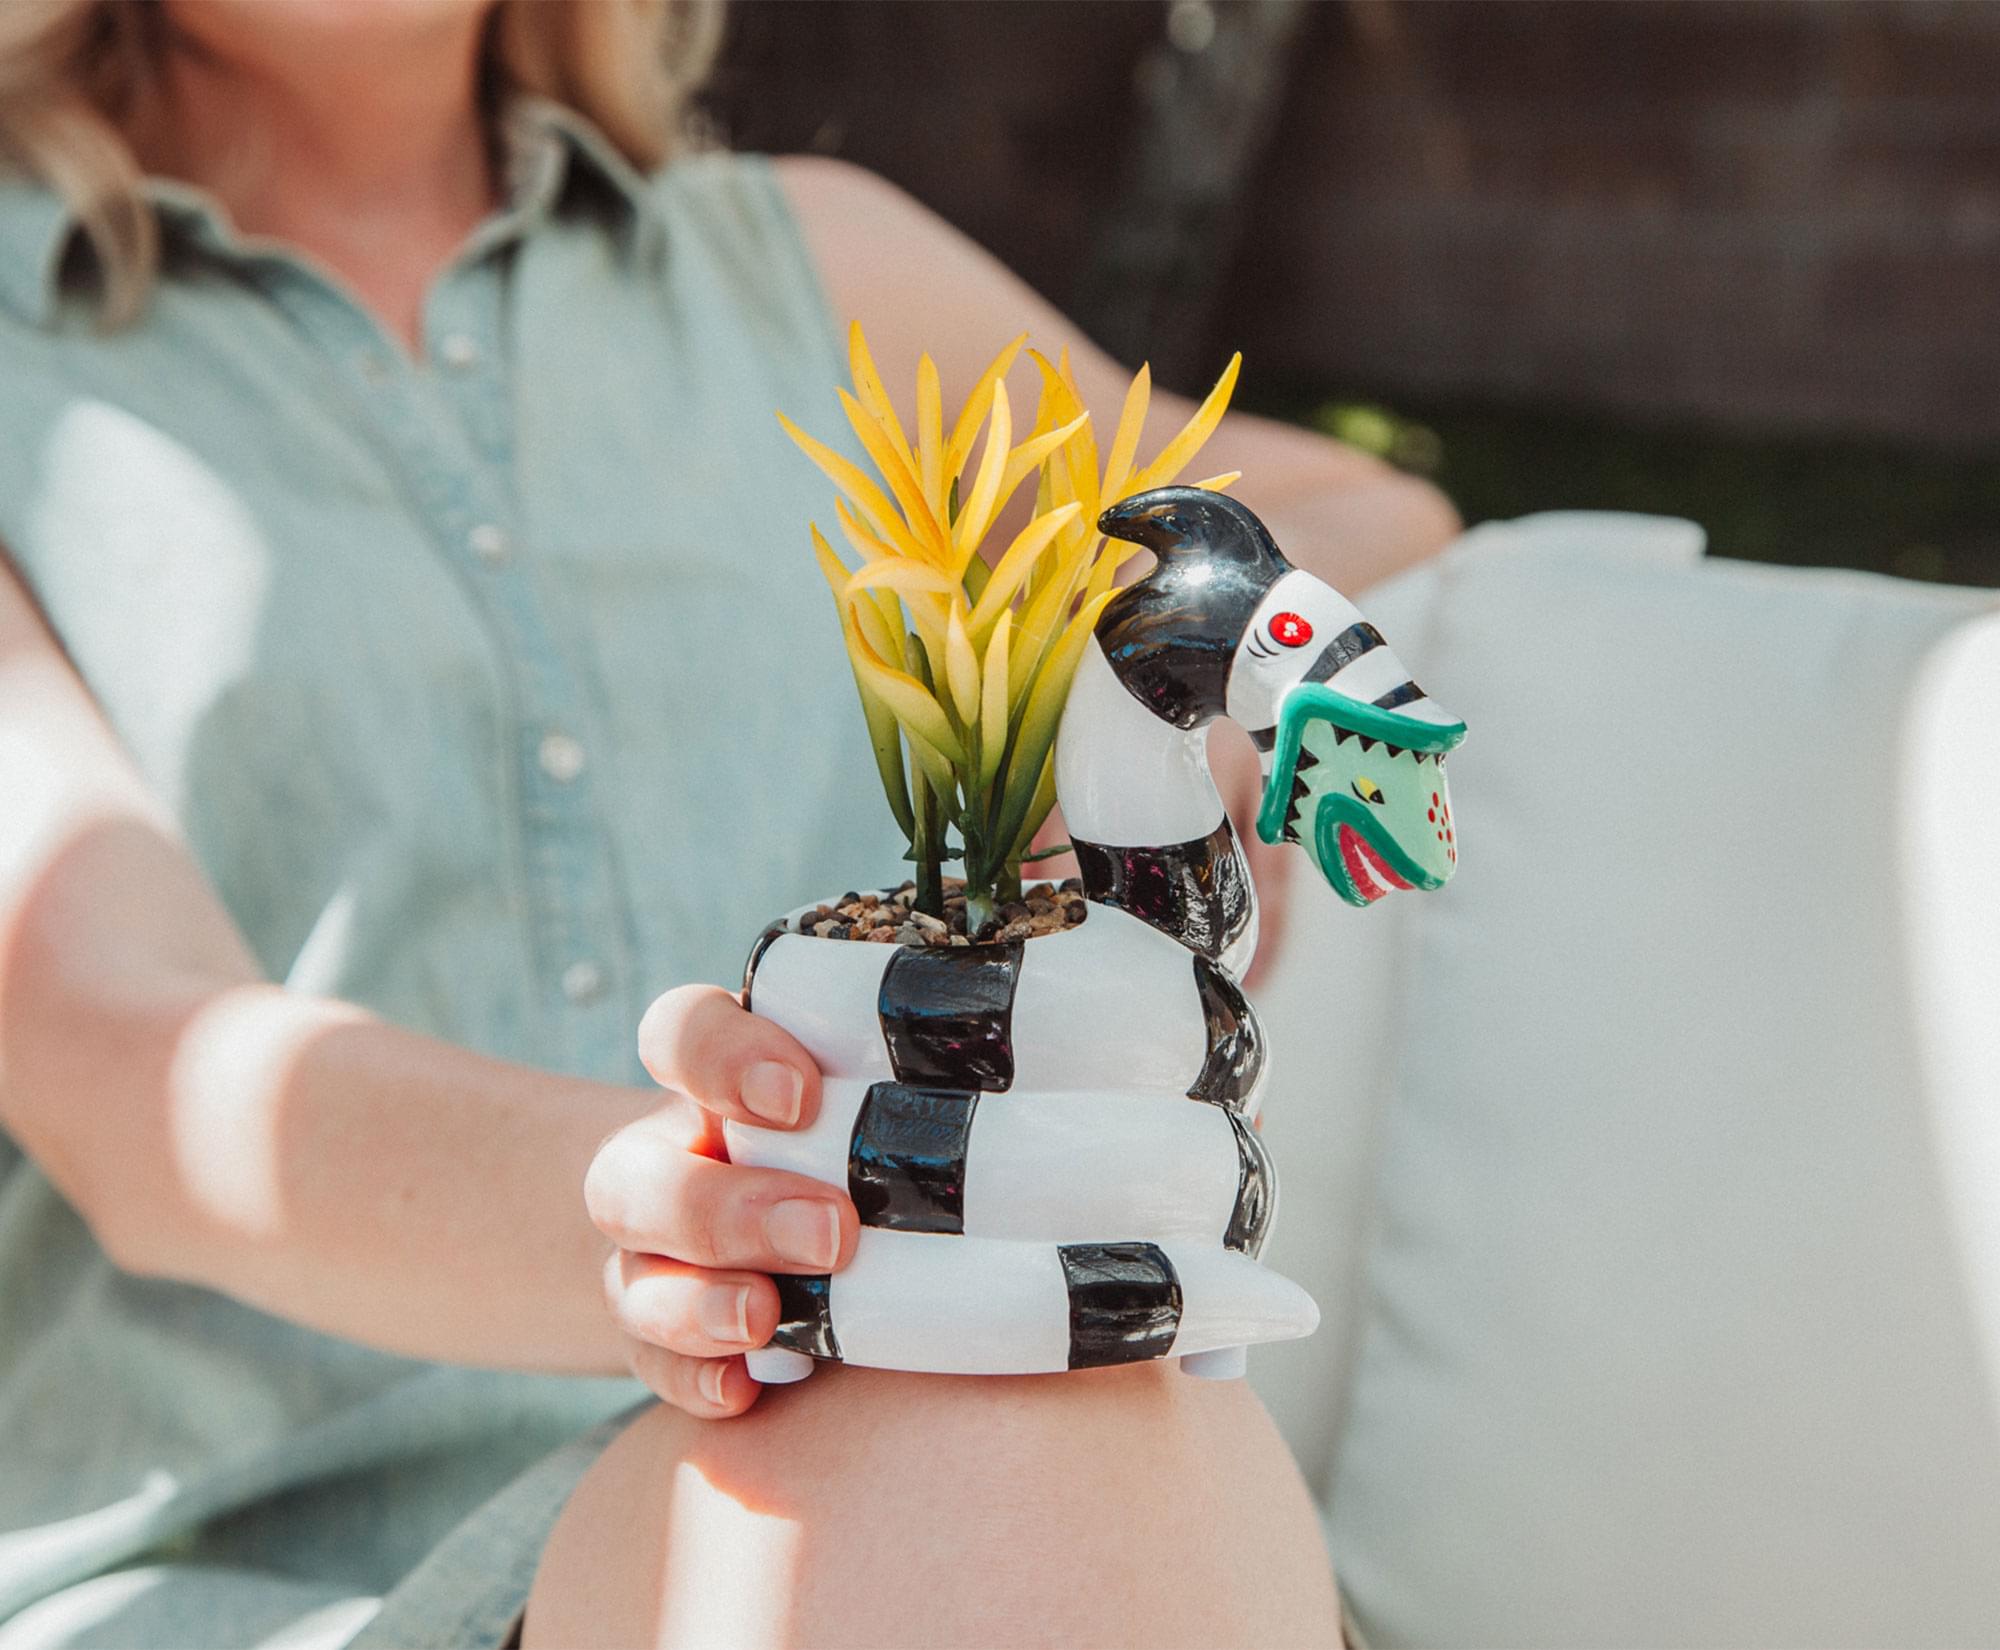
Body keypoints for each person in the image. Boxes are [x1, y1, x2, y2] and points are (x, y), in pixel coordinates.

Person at [0, 3, 1457, 1646]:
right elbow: (127, 1052)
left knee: (1008, 1398)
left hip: (925, 1500)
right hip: (297, 1588)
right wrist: (761, 1208)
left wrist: (1107, 729)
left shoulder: (812, 267)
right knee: (995, 1406)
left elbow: (1358, 513)